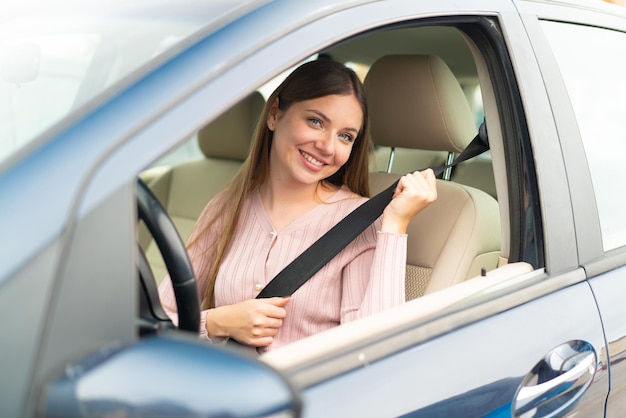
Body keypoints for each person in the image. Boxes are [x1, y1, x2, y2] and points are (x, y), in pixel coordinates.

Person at [158, 58, 437, 352]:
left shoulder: (360, 221)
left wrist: (394, 225)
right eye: (316, 121)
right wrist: (218, 322)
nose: (328, 146)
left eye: (345, 136)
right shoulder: (226, 208)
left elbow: (376, 349)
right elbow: (158, 321)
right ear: (275, 114)